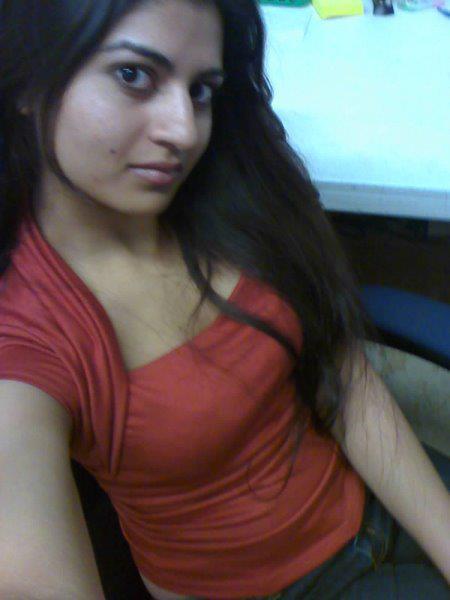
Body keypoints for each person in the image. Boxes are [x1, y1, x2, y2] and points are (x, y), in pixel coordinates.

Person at [0, 1, 448, 599]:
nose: (184, 131)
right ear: (29, 81)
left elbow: (340, 375)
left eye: (201, 90)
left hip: (374, 495)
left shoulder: (227, 192)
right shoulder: (26, 338)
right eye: (133, 75)